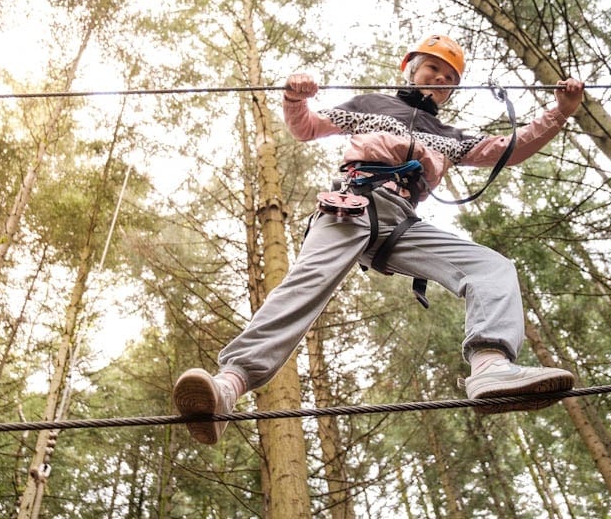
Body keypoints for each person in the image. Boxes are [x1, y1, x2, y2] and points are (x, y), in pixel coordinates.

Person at [172, 34, 585, 444]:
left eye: (448, 78)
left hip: (400, 222)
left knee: (492, 268)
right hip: (350, 204)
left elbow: (508, 149)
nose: (438, 78)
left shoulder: (448, 134)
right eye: (432, 68)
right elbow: (308, 127)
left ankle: (490, 365)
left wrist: (560, 112)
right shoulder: (370, 106)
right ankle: (228, 385)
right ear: (410, 69)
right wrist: (295, 99)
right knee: (304, 286)